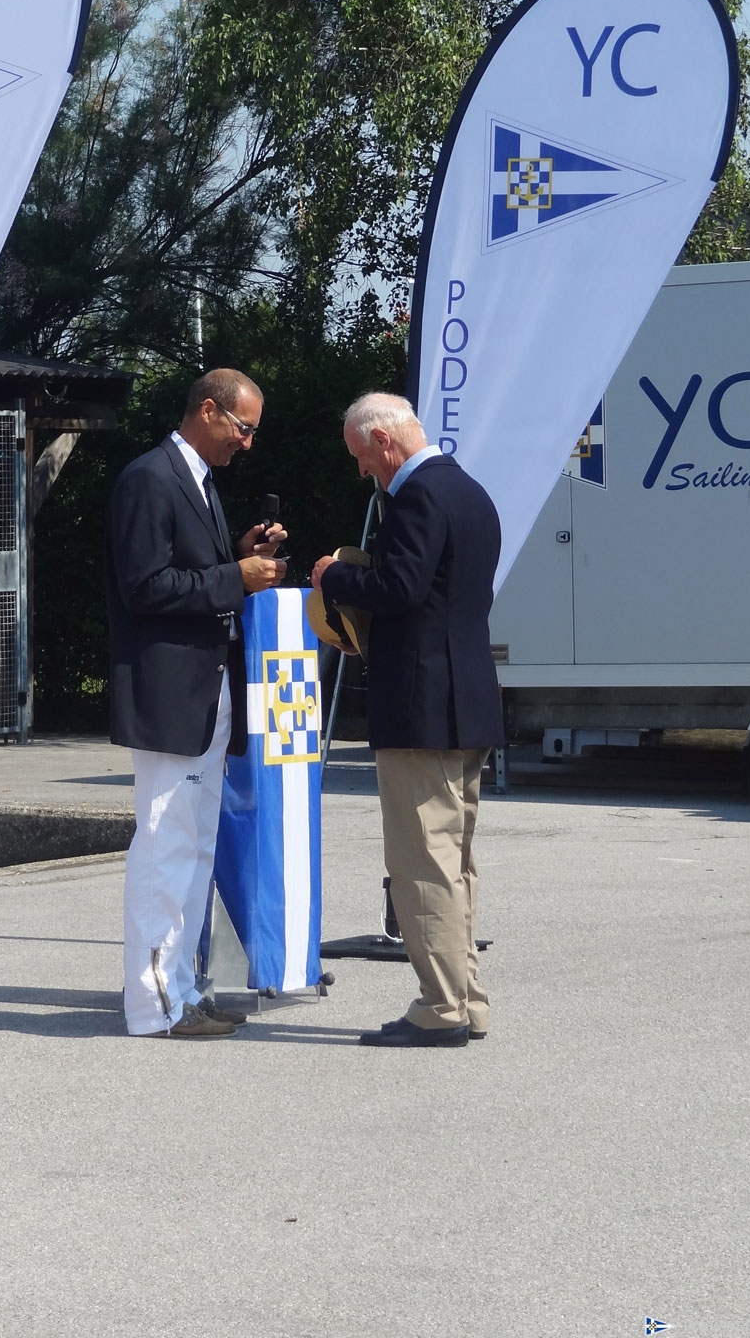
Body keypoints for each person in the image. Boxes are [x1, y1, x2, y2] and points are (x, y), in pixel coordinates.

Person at [312, 393, 503, 1049]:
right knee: (455, 862)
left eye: (362, 458)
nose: (364, 471)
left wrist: (336, 578)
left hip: (422, 709)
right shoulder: (471, 492)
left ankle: (440, 1007)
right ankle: (467, 1000)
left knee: (423, 863)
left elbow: (402, 588)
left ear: (384, 441)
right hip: (467, 702)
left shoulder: (417, 497)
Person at [108, 368, 287, 1038]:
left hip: (206, 692)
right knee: (165, 850)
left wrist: (236, 558)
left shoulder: (197, 480)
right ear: (208, 410)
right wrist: (234, 577)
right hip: (171, 697)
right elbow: (144, 586)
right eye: (243, 428)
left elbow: (185, 572)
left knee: (192, 847)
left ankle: (180, 990)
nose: (248, 443)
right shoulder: (149, 478)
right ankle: (156, 1005)